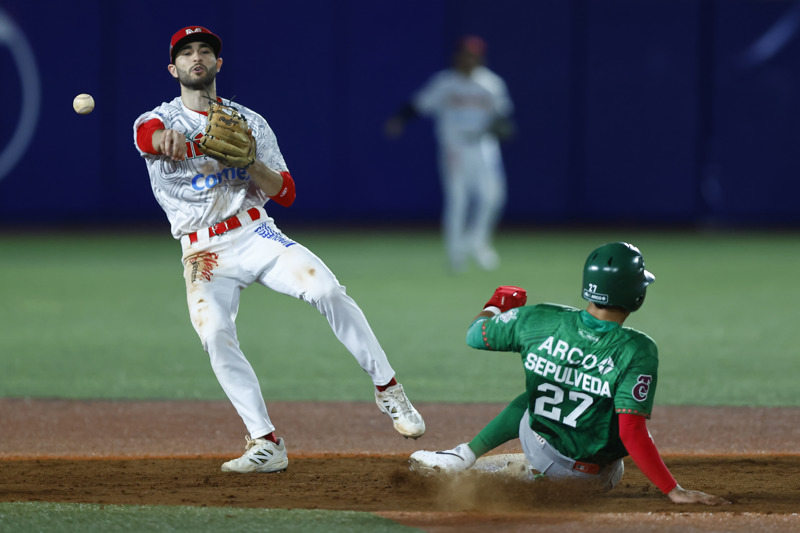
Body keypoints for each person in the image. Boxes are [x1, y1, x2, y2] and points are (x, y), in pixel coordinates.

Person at [132, 26, 425, 473]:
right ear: (173, 69)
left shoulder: (249, 122)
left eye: (205, 51)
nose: (197, 57)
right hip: (203, 252)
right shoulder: (157, 120)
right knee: (214, 333)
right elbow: (147, 138)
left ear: (218, 64)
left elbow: (285, 192)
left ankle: (389, 390)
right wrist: (164, 141)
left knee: (326, 289)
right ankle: (266, 442)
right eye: (186, 53)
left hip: (255, 234)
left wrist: (250, 163)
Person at [409, 242, 730, 506]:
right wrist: (673, 489)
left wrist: (497, 305)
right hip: (601, 478)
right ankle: (532, 473)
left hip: (541, 450)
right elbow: (631, 432)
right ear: (636, 295)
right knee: (618, 412)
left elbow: (475, 335)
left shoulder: (539, 319)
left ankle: (462, 457)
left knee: (536, 396)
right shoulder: (638, 348)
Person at [384, 35, 514, 273]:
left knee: (493, 197)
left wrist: (502, 126)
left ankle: (477, 242)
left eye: (473, 55)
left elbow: (503, 116)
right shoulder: (445, 83)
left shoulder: (492, 83)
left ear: (480, 57)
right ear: (458, 56)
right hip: (456, 147)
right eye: (466, 54)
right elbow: (418, 104)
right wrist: (399, 119)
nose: (469, 59)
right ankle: (456, 254)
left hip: (484, 145)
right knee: (458, 200)